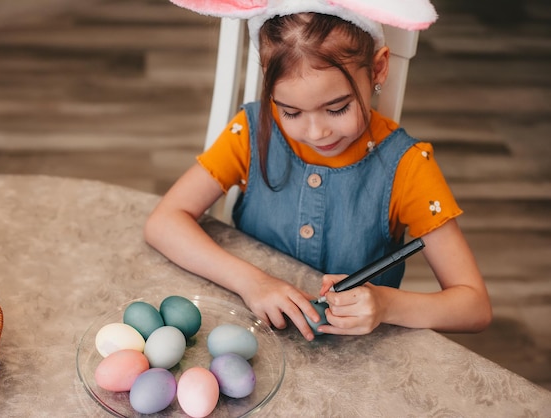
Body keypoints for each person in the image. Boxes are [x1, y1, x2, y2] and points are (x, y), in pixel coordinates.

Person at [145, 0, 492, 341]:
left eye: (337, 108)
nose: (316, 133)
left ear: (379, 69)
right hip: (254, 331)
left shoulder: (409, 167)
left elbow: (474, 306)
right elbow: (163, 223)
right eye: (291, 112)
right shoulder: (252, 131)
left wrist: (386, 304)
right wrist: (252, 282)